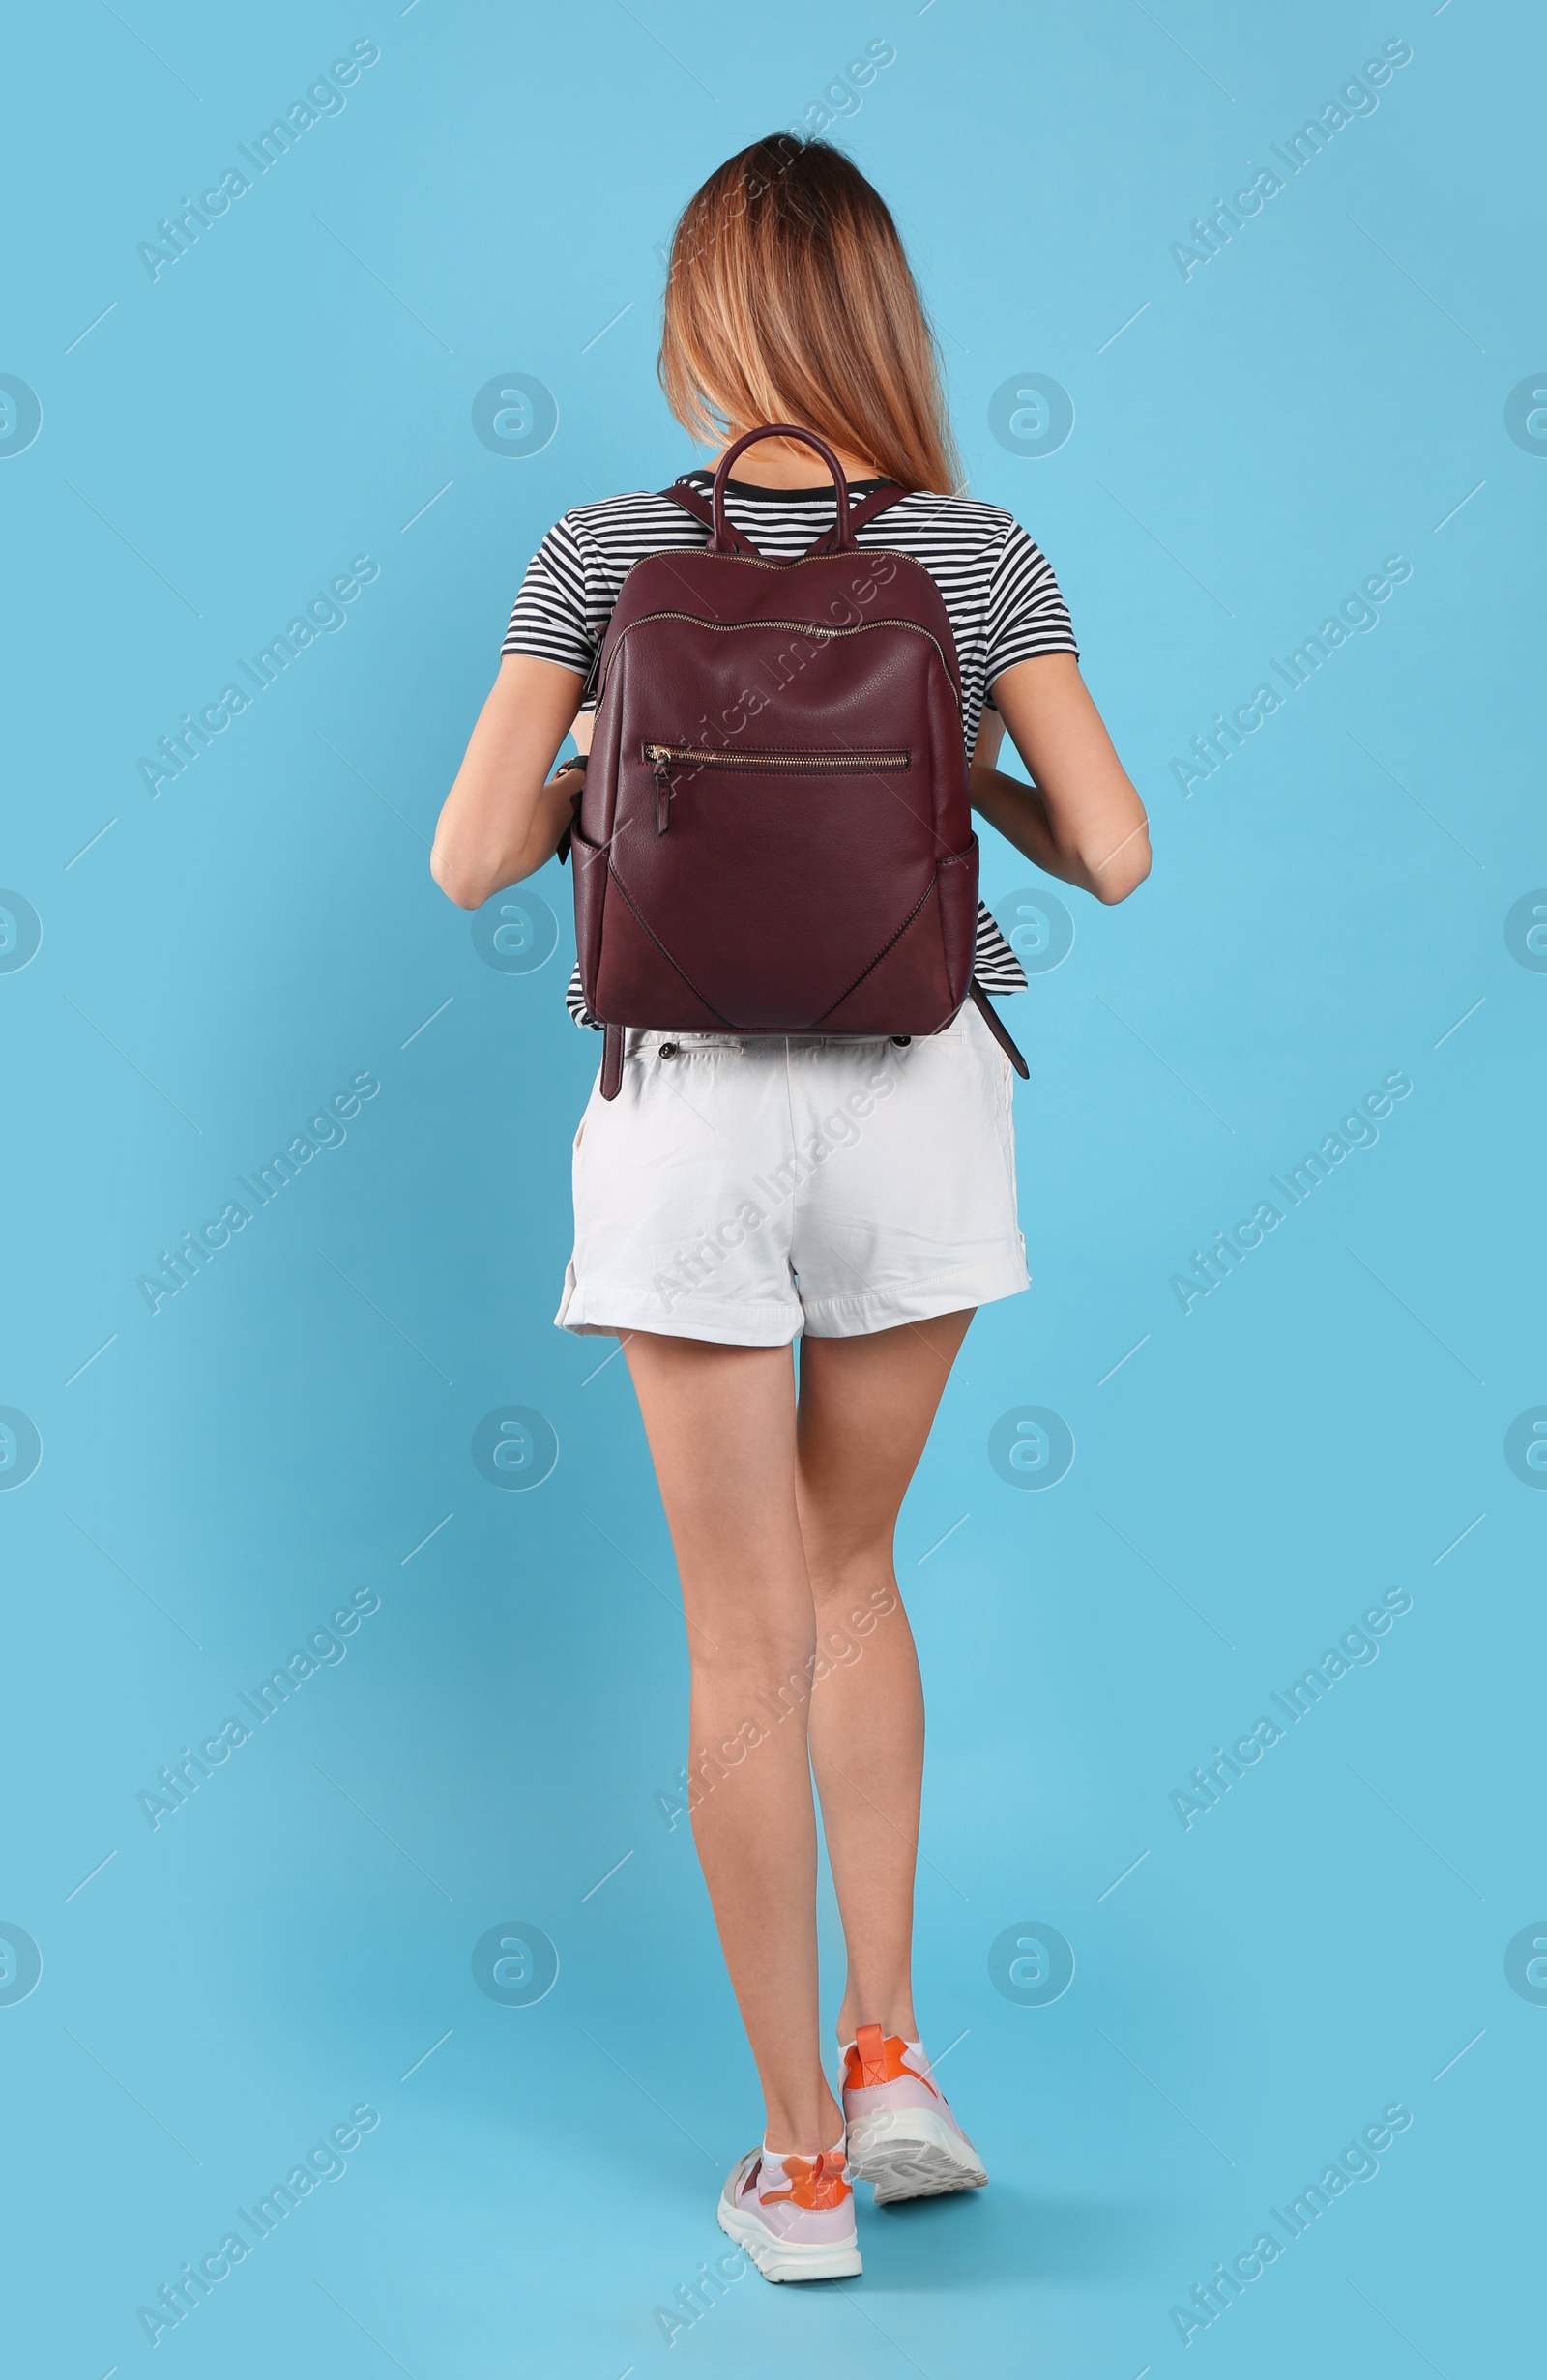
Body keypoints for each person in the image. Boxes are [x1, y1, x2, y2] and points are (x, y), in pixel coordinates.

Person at [431, 134, 1150, 2283]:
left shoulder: (598, 546)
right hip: (918, 1087)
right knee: (857, 1568)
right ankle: (894, 2054)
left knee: (732, 1627)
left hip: (688, 1108)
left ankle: (798, 2171)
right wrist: (954, 771)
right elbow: (1108, 852)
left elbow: (472, 855)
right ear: (877, 317)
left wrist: (619, 772)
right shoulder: (968, 546)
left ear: (697, 318)